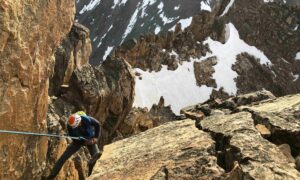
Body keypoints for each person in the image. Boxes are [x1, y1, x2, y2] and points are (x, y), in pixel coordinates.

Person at [47, 113, 101, 179]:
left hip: (90, 139)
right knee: (63, 157)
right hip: (78, 141)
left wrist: (96, 137)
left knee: (96, 158)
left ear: (80, 122)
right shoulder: (70, 126)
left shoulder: (87, 119)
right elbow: (72, 136)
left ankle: (91, 176)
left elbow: (97, 124)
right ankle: (51, 176)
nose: (74, 127)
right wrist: (82, 142)